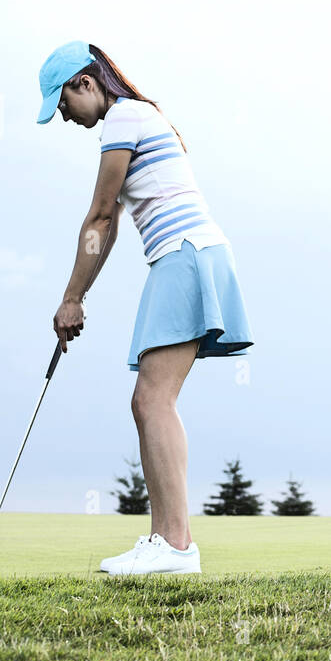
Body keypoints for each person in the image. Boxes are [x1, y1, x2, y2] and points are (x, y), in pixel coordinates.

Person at [39, 41, 253, 575]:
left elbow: (101, 217)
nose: (63, 115)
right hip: (187, 256)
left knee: (152, 399)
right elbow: (106, 227)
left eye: (62, 102)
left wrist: (71, 299)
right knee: (150, 400)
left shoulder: (124, 117)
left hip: (185, 255)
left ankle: (176, 546)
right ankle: (168, 541)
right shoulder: (139, 116)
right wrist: (78, 295)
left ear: (86, 83)